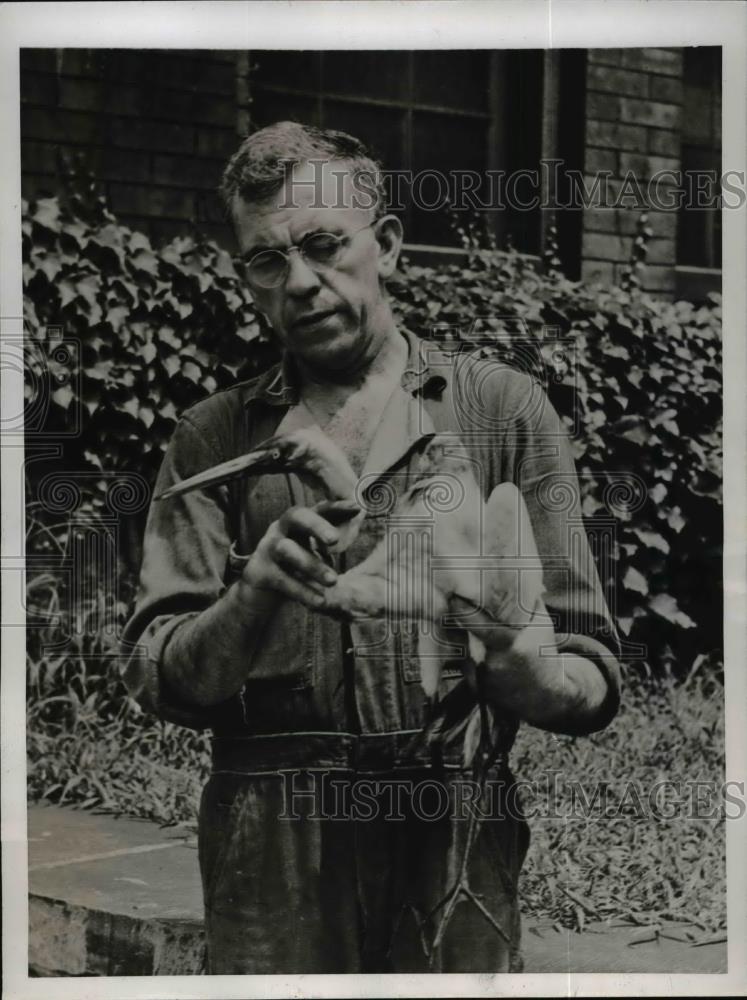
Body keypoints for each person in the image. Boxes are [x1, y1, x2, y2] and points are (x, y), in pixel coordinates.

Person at [121, 121, 621, 974]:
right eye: (266, 261)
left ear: (385, 245)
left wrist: (518, 659)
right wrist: (251, 598)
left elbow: (592, 674)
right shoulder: (212, 441)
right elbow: (161, 676)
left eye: (323, 246)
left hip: (454, 820)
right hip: (270, 843)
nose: (301, 283)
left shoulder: (502, 412)